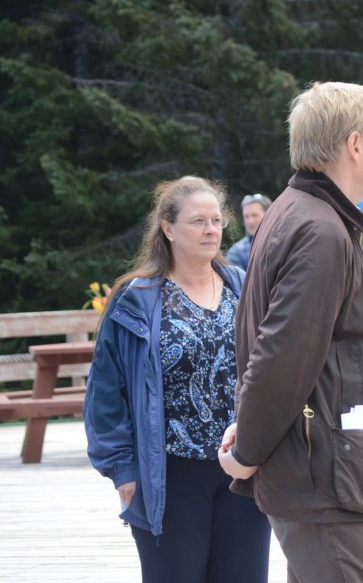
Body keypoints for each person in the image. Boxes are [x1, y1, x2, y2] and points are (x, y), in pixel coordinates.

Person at [217, 82, 363, 583]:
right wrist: (247, 453)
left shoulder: (301, 214)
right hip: (327, 482)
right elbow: (281, 361)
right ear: (354, 145)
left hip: (326, 475)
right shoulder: (320, 231)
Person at [84, 176, 271, 583]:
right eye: (197, 221)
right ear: (168, 228)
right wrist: (122, 469)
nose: (210, 230)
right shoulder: (136, 298)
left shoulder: (243, 285)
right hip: (168, 474)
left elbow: (269, 367)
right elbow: (105, 391)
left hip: (242, 467)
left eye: (217, 220)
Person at [226, 193, 272, 270]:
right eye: (246, 216)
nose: (250, 221)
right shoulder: (236, 253)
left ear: (269, 215)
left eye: (254, 215)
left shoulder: (284, 243)